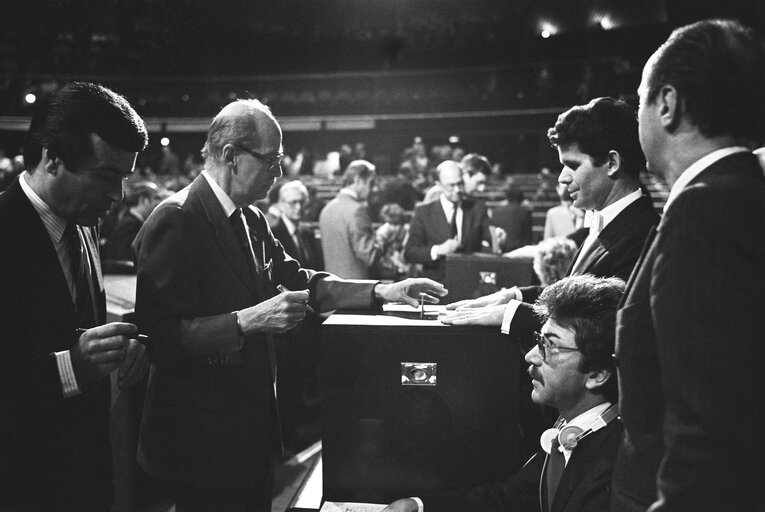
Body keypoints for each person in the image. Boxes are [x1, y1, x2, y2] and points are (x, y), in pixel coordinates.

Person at [132, 98, 447, 511]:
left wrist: (381, 291)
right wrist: (246, 320)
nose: (279, 173)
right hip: (200, 440)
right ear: (230, 156)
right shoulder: (176, 218)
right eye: (272, 160)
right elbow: (159, 338)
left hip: (249, 433)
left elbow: (302, 282)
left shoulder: (251, 217)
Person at [613, 19, 765, 512]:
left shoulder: (707, 209)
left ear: (667, 104)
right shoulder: (739, 194)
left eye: (640, 99)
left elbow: (713, 428)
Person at [0, 81, 149, 510]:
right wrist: (74, 367)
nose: (118, 195)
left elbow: (74, 325)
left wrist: (117, 350)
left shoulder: (84, 221)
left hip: (86, 477)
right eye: (107, 176)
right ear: (52, 159)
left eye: (124, 178)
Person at [383, 274, 625, 512]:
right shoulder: (572, 427)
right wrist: (419, 506)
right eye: (538, 339)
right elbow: (510, 500)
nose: (530, 356)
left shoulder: (622, 466)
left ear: (597, 374)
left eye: (549, 345)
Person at [440, 97, 659, 339]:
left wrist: (512, 314)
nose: (562, 178)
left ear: (612, 163)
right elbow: (574, 298)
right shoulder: (609, 221)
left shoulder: (644, 233)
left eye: (572, 165)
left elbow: (602, 322)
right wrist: (515, 296)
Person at [404, 159, 493, 282]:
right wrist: (438, 250)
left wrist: (498, 238)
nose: (457, 190)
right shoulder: (423, 212)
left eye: (460, 183)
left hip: (470, 283)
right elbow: (410, 253)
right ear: (439, 184)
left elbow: (491, 242)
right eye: (451, 185)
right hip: (436, 286)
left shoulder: (478, 208)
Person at [318, 160, 382, 279]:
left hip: (332, 285)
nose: (373, 189)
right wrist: (384, 235)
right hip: (356, 287)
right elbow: (370, 255)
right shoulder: (357, 210)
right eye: (370, 183)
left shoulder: (326, 209)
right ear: (357, 180)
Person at [103, 180, 168, 262]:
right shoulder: (131, 225)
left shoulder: (132, 221)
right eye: (156, 198)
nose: (159, 203)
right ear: (143, 200)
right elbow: (126, 259)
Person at [270, 179, 320, 269]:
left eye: (301, 202)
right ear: (281, 205)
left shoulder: (307, 233)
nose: (298, 207)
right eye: (293, 202)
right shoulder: (274, 234)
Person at [490, 185, 533, 252]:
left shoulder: (496, 212)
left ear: (507, 197)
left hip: (499, 251)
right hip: (518, 252)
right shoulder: (525, 212)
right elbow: (528, 237)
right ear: (522, 199)